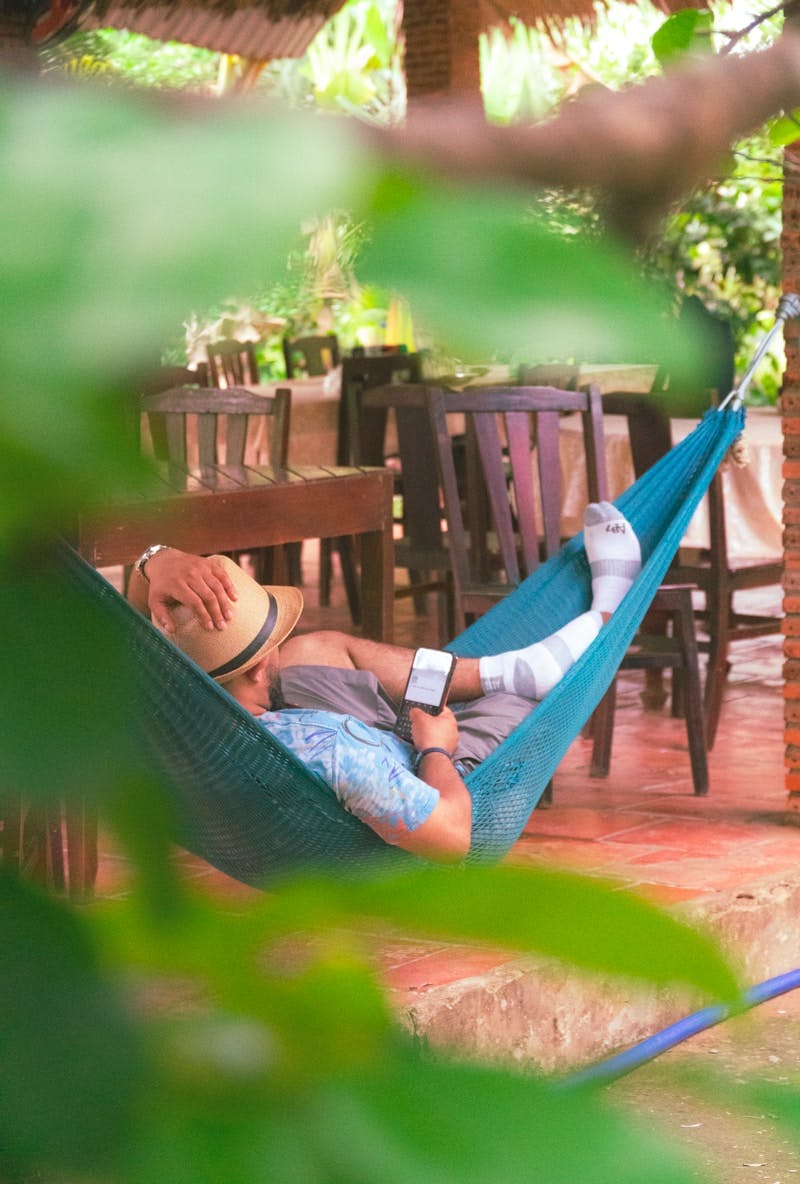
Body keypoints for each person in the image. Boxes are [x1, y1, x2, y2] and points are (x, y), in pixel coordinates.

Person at [127, 503, 642, 863]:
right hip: (437, 774)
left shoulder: (163, 716)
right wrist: (436, 748)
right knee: (518, 701)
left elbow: (118, 613)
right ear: (264, 665)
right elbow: (453, 837)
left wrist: (156, 561)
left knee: (321, 648)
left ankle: (504, 667)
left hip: (346, 758)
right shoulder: (334, 748)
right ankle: (602, 615)